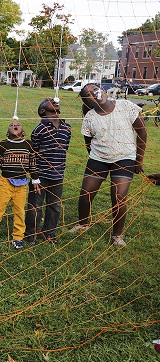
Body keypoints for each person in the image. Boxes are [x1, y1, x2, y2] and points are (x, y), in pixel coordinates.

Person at [70, 84, 147, 246]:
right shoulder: (90, 117)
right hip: (98, 159)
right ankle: (83, 224)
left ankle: (117, 236)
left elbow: (142, 131)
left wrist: (139, 159)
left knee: (118, 196)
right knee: (86, 193)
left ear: (103, 90)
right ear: (88, 102)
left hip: (124, 158)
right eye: (90, 94)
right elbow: (88, 144)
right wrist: (97, 158)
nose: (95, 93)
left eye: (95, 88)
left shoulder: (125, 106)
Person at [0, 120, 40, 250]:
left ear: (23, 131)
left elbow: (32, 164)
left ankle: (18, 236)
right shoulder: (3, 144)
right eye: (11, 125)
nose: (14, 126)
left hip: (21, 185)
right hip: (5, 183)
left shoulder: (28, 145)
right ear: (8, 132)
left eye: (18, 125)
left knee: (20, 211)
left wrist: (35, 180)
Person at [24, 98, 72, 245]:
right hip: (40, 176)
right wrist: (34, 176)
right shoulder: (39, 130)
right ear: (42, 111)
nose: (53, 100)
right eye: (48, 100)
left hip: (57, 175)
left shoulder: (67, 127)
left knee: (55, 205)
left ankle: (49, 233)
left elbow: (65, 147)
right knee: (35, 205)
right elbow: (35, 152)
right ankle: (30, 234)